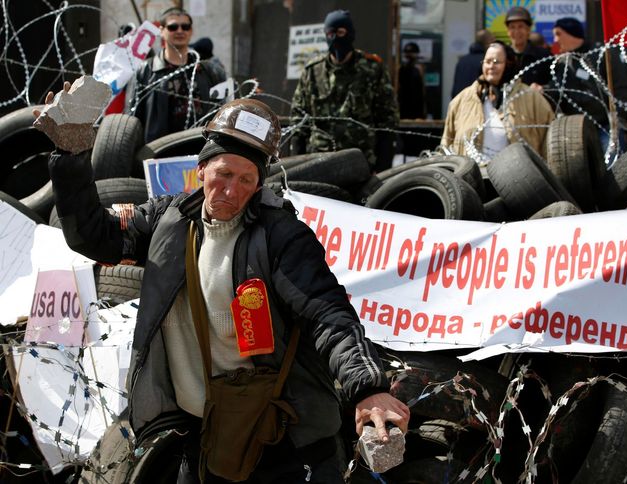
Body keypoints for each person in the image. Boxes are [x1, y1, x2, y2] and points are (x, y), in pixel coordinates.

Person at [39, 86, 409, 483]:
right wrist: (71, 156)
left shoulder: (281, 237)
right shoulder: (169, 222)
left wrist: (367, 388)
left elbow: (328, 315)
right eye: (224, 175)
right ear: (201, 170)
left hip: (281, 440)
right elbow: (93, 236)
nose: (232, 191)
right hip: (202, 436)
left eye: (247, 180)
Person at [289, 9, 399, 173]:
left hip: (360, 163)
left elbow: (388, 120)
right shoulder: (313, 72)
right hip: (318, 162)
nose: (334, 38)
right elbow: (299, 121)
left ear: (350, 34)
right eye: (330, 33)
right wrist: (297, 164)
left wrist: (383, 168)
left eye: (340, 32)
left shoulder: (371, 70)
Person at [441, 42, 555, 163]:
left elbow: (550, 140)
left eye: (496, 62)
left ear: (509, 64)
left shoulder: (530, 98)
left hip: (516, 177)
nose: (491, 66)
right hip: (472, 178)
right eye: (487, 61)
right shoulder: (462, 100)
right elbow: (446, 144)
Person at [125, 7, 226, 143]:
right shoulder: (145, 71)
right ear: (161, 30)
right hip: (159, 151)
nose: (180, 31)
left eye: (185, 27)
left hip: (201, 148)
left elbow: (222, 112)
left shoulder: (208, 70)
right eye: (173, 27)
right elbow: (132, 119)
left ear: (191, 31)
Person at [548, 17, 627, 158]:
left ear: (572, 33)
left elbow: (622, 89)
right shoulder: (562, 63)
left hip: (606, 126)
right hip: (574, 131)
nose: (555, 40)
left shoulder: (602, 55)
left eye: (558, 34)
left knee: (613, 162)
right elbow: (556, 93)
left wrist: (616, 120)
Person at [504, 6, 551, 87]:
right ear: (507, 31)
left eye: (520, 26)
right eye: (512, 27)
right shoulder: (502, 55)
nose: (516, 31)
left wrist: (543, 88)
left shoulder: (543, 56)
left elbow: (554, 84)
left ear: (528, 29)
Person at [451, 29, 495, 99]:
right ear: (488, 43)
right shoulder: (486, 62)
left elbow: (455, 87)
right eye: (493, 42)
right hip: (476, 105)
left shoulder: (462, 61)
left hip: (460, 103)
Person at [398, 42, 426, 119]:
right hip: (405, 104)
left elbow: (423, 90)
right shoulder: (401, 69)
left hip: (416, 105)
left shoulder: (418, 68)